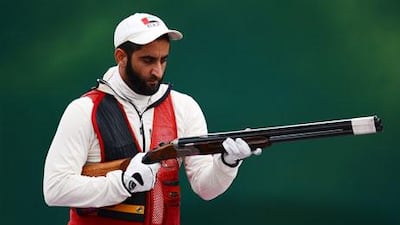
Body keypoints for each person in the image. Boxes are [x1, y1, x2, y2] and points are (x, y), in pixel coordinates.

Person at [43, 12, 262, 225]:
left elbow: (205, 189)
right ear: (121, 56)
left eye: (163, 60)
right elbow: (54, 189)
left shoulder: (183, 107)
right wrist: (123, 183)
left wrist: (227, 163)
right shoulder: (84, 110)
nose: (157, 71)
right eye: (147, 60)